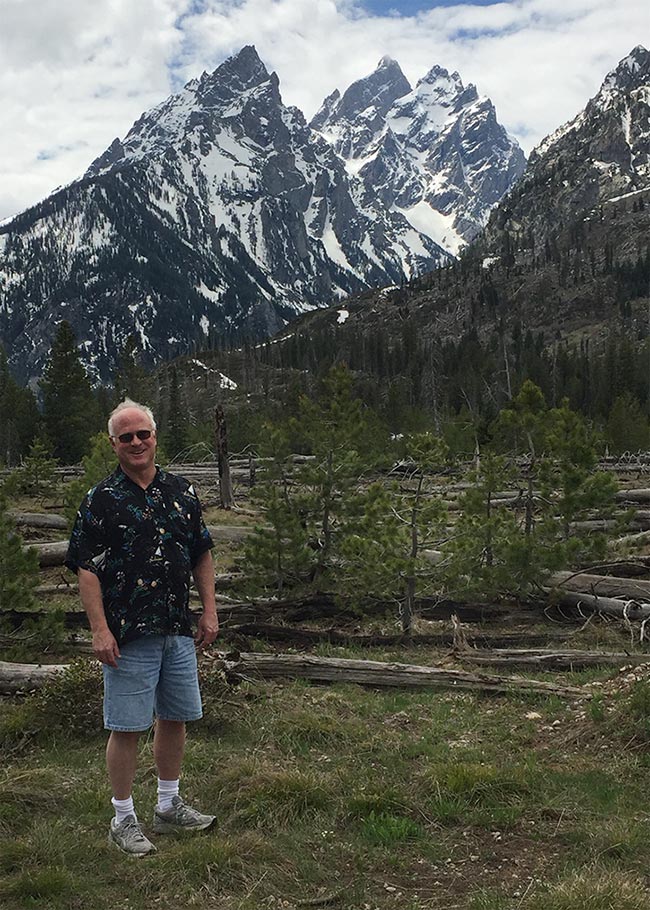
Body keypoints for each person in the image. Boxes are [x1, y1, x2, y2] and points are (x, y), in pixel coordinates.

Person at [65, 398, 219, 857]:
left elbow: (202, 553)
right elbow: (87, 569)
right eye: (126, 436)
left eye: (143, 434)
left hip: (176, 626)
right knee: (127, 726)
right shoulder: (100, 500)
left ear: (155, 437)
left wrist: (209, 610)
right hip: (128, 631)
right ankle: (124, 817)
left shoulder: (181, 492)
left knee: (175, 719)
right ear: (113, 444)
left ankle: (169, 807)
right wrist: (99, 629)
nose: (136, 442)